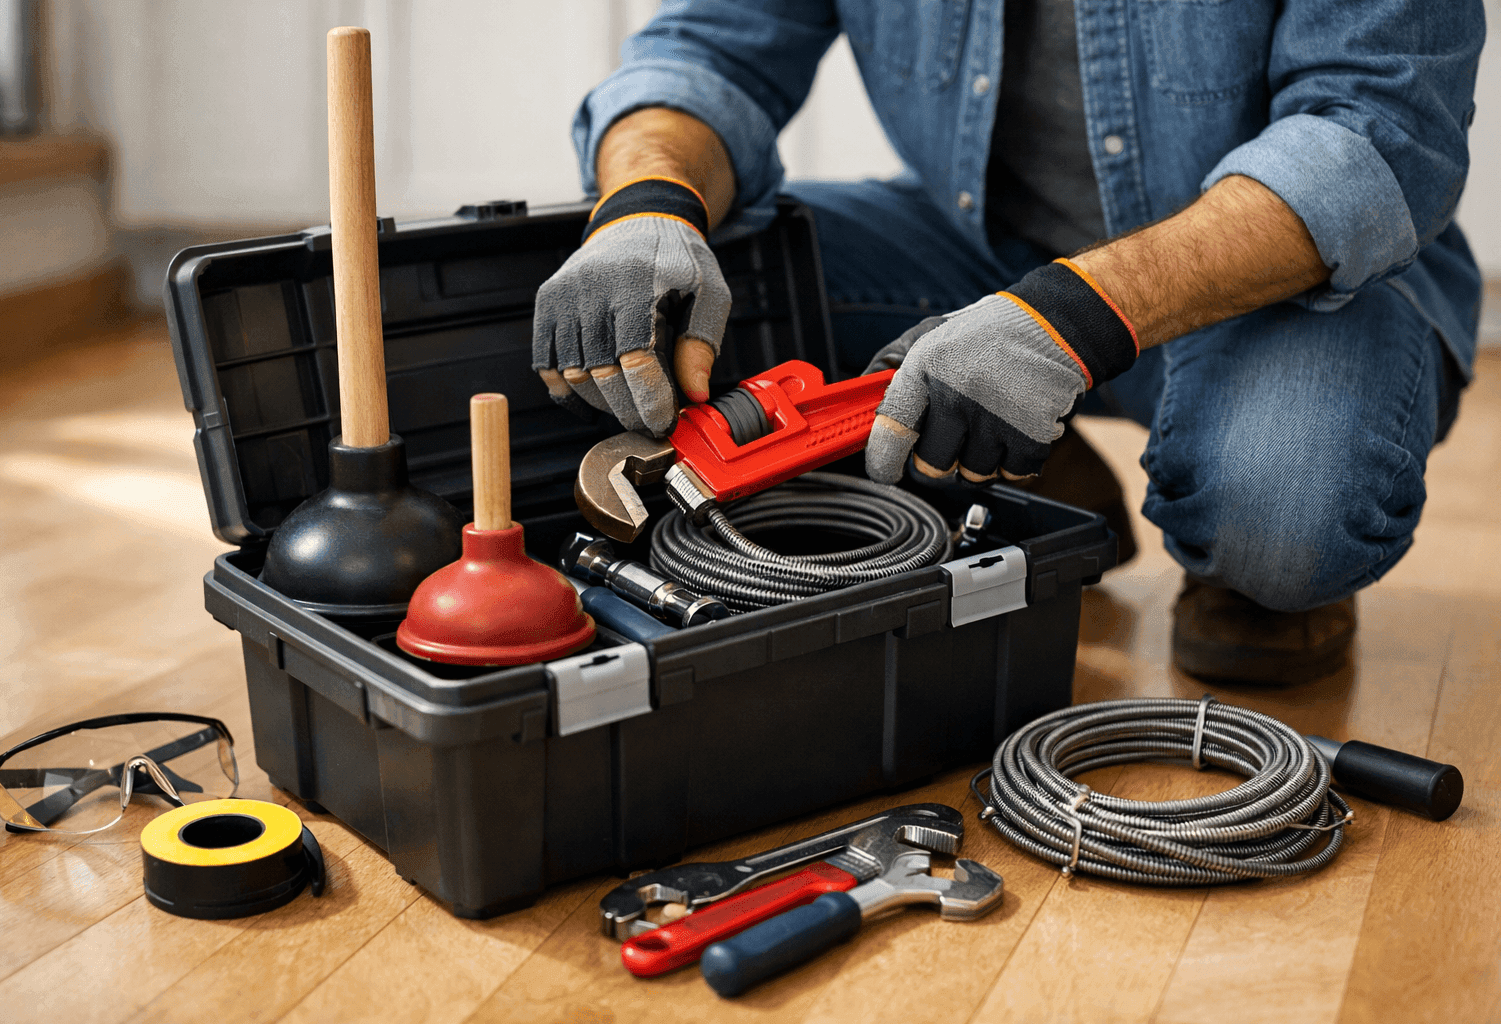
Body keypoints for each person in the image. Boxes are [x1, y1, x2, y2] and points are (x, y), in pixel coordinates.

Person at [531, 0, 1483, 685]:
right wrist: (645, 202)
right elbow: (709, 51)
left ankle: (1241, 566)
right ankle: (1012, 466)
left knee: (1281, 518)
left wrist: (1069, 317)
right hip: (975, 253)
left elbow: (1377, 133)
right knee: (694, 277)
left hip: (1278, 278)